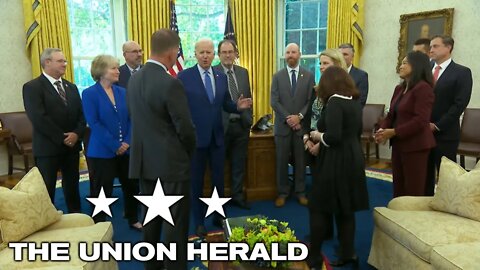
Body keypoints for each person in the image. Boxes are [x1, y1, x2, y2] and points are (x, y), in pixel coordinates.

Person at [127, 29, 196, 270]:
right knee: (175, 226)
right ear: (171, 52)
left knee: (152, 221)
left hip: (144, 163)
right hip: (171, 166)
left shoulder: (133, 79)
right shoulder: (170, 83)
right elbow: (185, 128)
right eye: (177, 51)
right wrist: (189, 151)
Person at [177, 38, 252, 238]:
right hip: (195, 141)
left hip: (218, 138)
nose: (205, 56)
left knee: (218, 180)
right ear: (195, 54)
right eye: (201, 52)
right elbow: (179, 109)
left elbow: (225, 103)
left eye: (209, 52)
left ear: (213, 55)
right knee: (197, 182)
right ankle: (199, 221)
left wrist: (237, 106)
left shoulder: (220, 76)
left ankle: (218, 215)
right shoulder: (184, 77)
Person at [307, 66, 369, 268]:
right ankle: (348, 253)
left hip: (336, 161)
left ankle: (314, 257)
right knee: (345, 209)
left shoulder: (334, 102)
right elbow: (354, 132)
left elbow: (333, 137)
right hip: (353, 159)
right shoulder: (354, 103)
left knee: (318, 207)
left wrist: (317, 136)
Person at [81, 54, 142, 229]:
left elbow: (132, 119)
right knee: (102, 191)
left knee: (131, 186)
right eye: (114, 68)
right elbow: (94, 123)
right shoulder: (89, 94)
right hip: (102, 151)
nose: (118, 71)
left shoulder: (122, 92)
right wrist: (115, 145)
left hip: (126, 150)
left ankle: (132, 218)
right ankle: (99, 225)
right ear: (101, 71)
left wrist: (127, 142)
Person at [23, 48, 86, 213]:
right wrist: (62, 137)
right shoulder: (33, 87)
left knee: (72, 185)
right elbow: (38, 118)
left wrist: (76, 134)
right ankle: (47, 220)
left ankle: (75, 216)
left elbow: (81, 115)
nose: (65, 64)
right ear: (47, 62)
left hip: (71, 147)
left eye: (65, 61)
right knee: (47, 187)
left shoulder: (71, 87)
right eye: (60, 61)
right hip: (48, 148)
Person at [375, 51, 435, 197]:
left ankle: (411, 219)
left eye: (404, 63)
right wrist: (382, 130)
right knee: (399, 187)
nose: (400, 66)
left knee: (413, 190)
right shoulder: (399, 89)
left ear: (417, 66)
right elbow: (391, 115)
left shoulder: (423, 88)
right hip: (399, 145)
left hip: (416, 146)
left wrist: (394, 132)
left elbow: (421, 120)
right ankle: (397, 217)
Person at [303, 49, 347, 239]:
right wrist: (306, 138)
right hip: (312, 142)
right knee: (318, 190)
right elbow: (310, 116)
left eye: (326, 63)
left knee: (330, 193)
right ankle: (324, 231)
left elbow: (339, 127)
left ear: (337, 65)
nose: (321, 67)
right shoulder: (318, 88)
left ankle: (331, 235)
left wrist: (320, 143)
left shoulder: (343, 92)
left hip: (329, 147)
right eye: (320, 63)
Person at [426, 35, 473, 195]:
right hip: (422, 132)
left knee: (447, 178)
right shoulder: (425, 71)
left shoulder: (462, 72)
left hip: (445, 134)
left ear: (448, 48)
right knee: (424, 175)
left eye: (435, 46)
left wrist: (437, 125)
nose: (431, 49)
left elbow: (459, 104)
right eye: (430, 46)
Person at [271, 43, 315, 208]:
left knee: (300, 161)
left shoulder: (309, 76)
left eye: (293, 52)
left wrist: (300, 117)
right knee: (281, 162)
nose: (290, 55)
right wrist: (289, 119)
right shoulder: (277, 76)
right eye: (288, 52)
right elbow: (274, 101)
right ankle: (282, 193)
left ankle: (301, 192)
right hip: (282, 127)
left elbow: (311, 101)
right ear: (285, 55)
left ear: (300, 54)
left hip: (301, 128)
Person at [213, 39, 252, 209]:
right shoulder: (212, 72)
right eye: (224, 52)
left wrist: (248, 119)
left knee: (238, 164)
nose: (228, 55)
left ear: (236, 54)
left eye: (231, 52)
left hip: (241, 126)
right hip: (221, 127)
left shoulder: (243, 72)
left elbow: (248, 98)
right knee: (218, 166)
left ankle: (237, 196)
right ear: (219, 54)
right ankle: (219, 201)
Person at [338, 43, 369, 107]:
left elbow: (361, 101)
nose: (342, 57)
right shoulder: (332, 74)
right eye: (340, 55)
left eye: (345, 54)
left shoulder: (361, 76)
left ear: (352, 56)